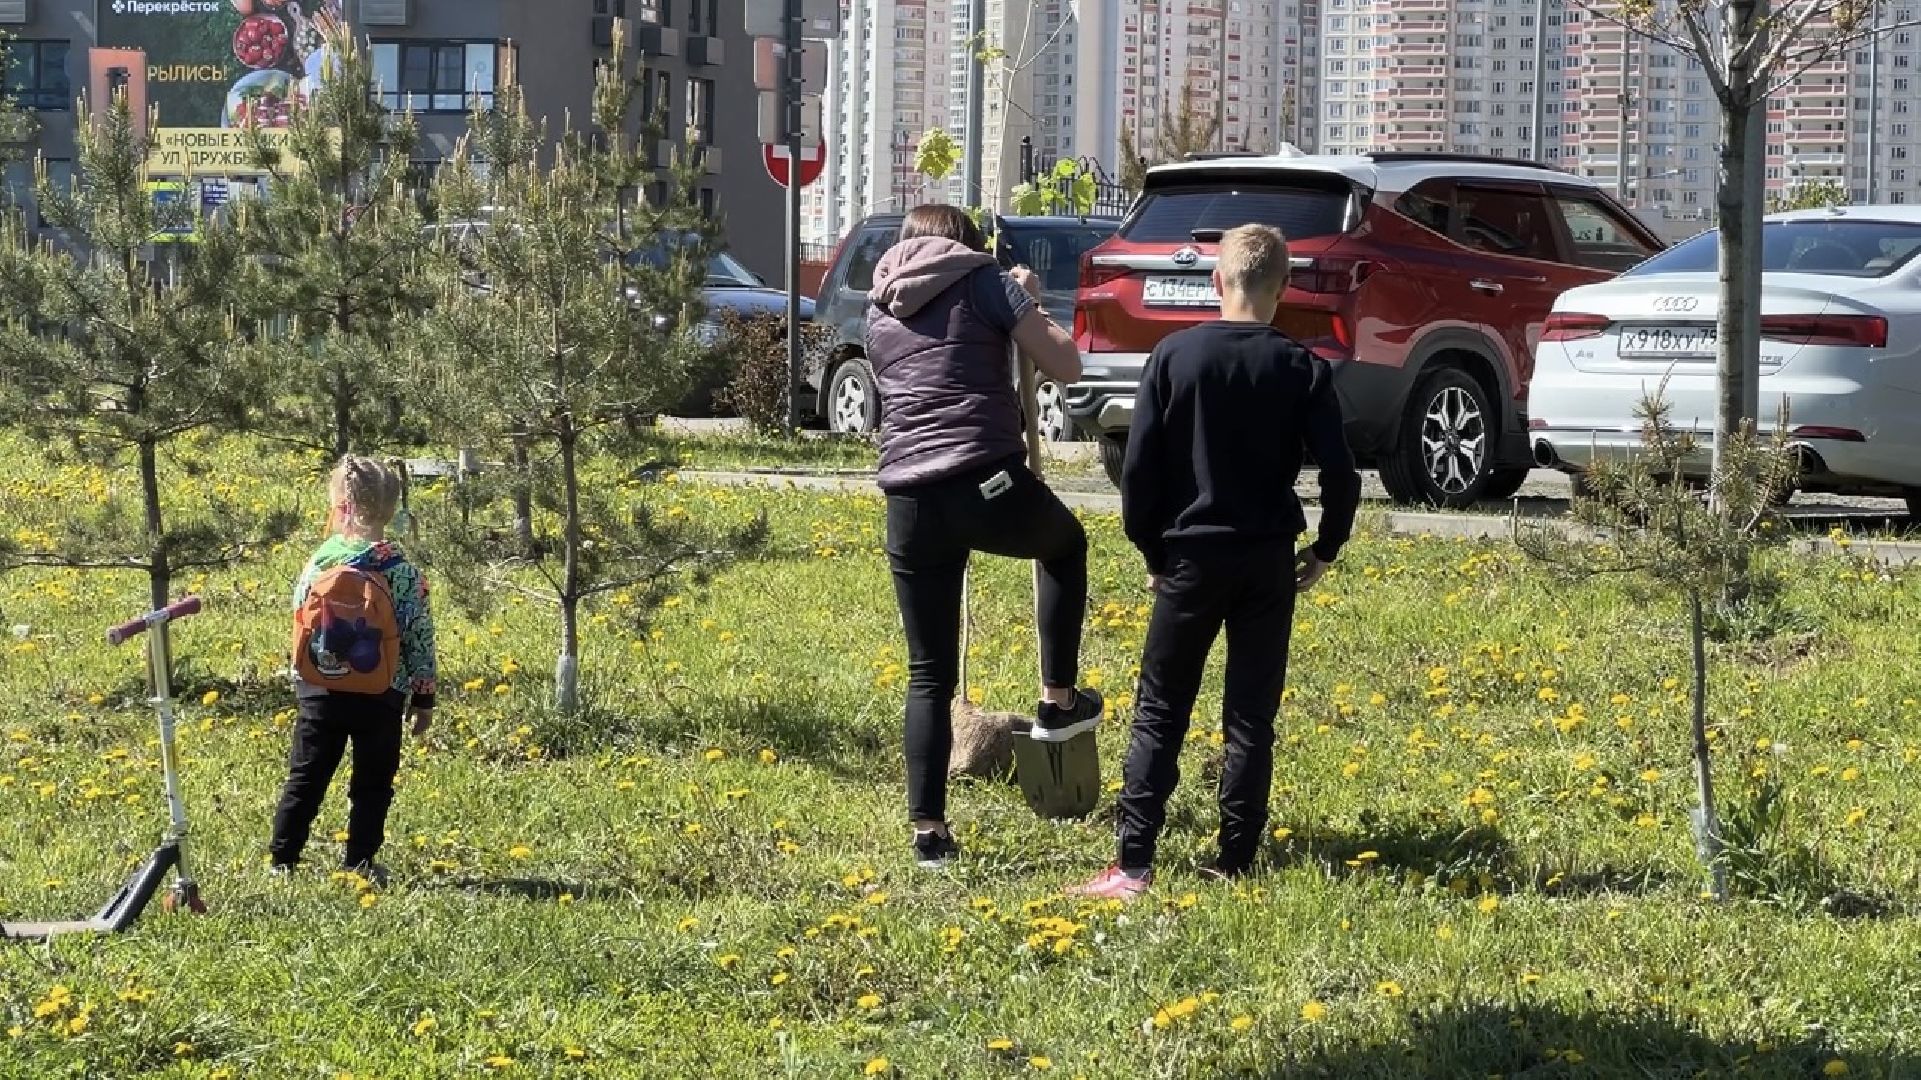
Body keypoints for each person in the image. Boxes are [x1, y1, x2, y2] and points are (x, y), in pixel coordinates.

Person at [1072, 224, 1363, 900]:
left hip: (1189, 557)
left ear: (1216, 281)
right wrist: (1324, 549)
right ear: (1282, 289)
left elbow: (1139, 471)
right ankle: (1234, 860)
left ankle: (1134, 863)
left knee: (1160, 710)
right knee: (1249, 717)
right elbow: (1341, 476)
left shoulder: (1173, 357)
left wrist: (1151, 549)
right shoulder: (1301, 366)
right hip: (1266, 560)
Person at [866, 203, 1105, 869]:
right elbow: (1066, 365)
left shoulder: (878, 303)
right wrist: (1026, 303)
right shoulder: (985, 279)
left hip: (907, 496)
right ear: (966, 245)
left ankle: (928, 834)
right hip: (981, 478)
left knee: (927, 673)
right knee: (1064, 544)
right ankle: (1057, 702)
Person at [269, 456, 437, 884]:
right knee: (373, 782)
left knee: (306, 776)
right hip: (382, 692)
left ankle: (282, 860)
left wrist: (300, 675)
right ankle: (360, 861)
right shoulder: (404, 573)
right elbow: (419, 637)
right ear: (393, 509)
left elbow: (299, 615)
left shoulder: (320, 563)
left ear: (339, 503)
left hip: (320, 688)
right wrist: (424, 698)